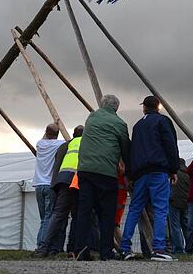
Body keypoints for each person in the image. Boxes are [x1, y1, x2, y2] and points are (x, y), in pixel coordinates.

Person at [119, 96, 180, 261]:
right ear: (158, 107)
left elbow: (132, 149)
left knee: (135, 209)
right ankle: (159, 249)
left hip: (140, 174)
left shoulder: (138, 126)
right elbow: (170, 144)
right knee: (160, 209)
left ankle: (124, 247)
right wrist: (174, 169)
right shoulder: (163, 121)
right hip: (158, 171)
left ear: (144, 108)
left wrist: (130, 174)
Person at [73, 95, 130, 261]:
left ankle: (81, 251)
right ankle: (106, 252)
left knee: (84, 211)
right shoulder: (120, 124)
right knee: (107, 213)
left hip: (84, 171)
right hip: (105, 173)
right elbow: (125, 148)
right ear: (116, 109)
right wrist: (127, 168)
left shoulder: (91, 118)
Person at [33, 125, 82, 257]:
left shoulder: (42, 144)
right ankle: (69, 249)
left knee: (52, 216)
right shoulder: (80, 144)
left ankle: (43, 247)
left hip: (55, 182)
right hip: (76, 181)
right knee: (76, 216)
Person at [33, 124, 65, 250]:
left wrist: (52, 127)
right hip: (49, 184)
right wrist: (59, 126)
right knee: (48, 217)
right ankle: (42, 244)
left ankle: (40, 243)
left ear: (46, 132)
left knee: (43, 218)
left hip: (38, 185)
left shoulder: (40, 144)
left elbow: (46, 136)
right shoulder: (59, 144)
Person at [169, 158, 190, 255]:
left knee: (175, 226)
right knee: (185, 226)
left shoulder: (174, 174)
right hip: (185, 203)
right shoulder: (187, 174)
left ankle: (178, 248)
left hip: (174, 202)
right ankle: (189, 246)